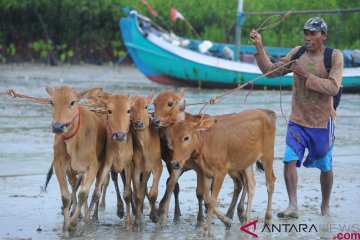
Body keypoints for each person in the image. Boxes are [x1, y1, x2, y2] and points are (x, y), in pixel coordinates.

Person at [249, 17, 343, 218]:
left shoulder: (334, 56)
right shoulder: (297, 53)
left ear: (323, 36)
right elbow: (270, 72)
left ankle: (325, 206)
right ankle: (293, 205)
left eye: (313, 33)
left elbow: (334, 88)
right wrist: (259, 47)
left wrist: (305, 76)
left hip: (322, 122)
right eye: (306, 33)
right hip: (297, 120)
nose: (308, 37)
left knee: (325, 165)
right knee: (289, 160)